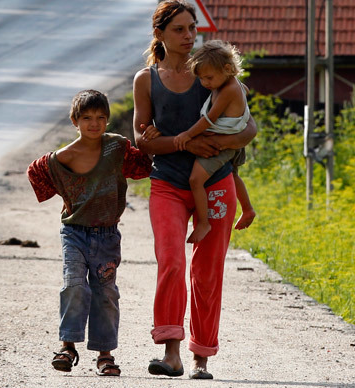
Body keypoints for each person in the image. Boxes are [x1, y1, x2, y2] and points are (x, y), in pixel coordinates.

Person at [132, 0, 257, 380]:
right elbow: (141, 139)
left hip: (217, 185)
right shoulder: (146, 80)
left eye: (192, 28)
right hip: (168, 184)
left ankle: (202, 355)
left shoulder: (213, 72)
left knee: (207, 272)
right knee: (171, 262)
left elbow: (248, 129)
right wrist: (182, 144)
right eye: (180, 30)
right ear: (160, 35)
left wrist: (214, 145)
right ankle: (171, 353)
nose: (189, 36)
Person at [26, 89, 152, 377]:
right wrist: (67, 195)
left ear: (107, 120)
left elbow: (143, 166)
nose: (93, 124)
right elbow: (36, 172)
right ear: (74, 120)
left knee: (105, 292)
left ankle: (105, 355)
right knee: (74, 285)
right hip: (74, 233)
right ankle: (67, 346)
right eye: (86, 118)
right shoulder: (60, 159)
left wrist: (150, 141)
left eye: (100, 118)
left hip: (107, 236)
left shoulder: (116, 148)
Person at [144, 39, 256, 243]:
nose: (205, 84)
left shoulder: (229, 88)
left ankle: (204, 222)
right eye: (202, 79)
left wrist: (186, 135)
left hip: (220, 145)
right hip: (228, 140)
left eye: (208, 78)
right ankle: (248, 209)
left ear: (228, 69)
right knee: (234, 174)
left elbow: (210, 118)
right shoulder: (229, 82)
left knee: (196, 180)